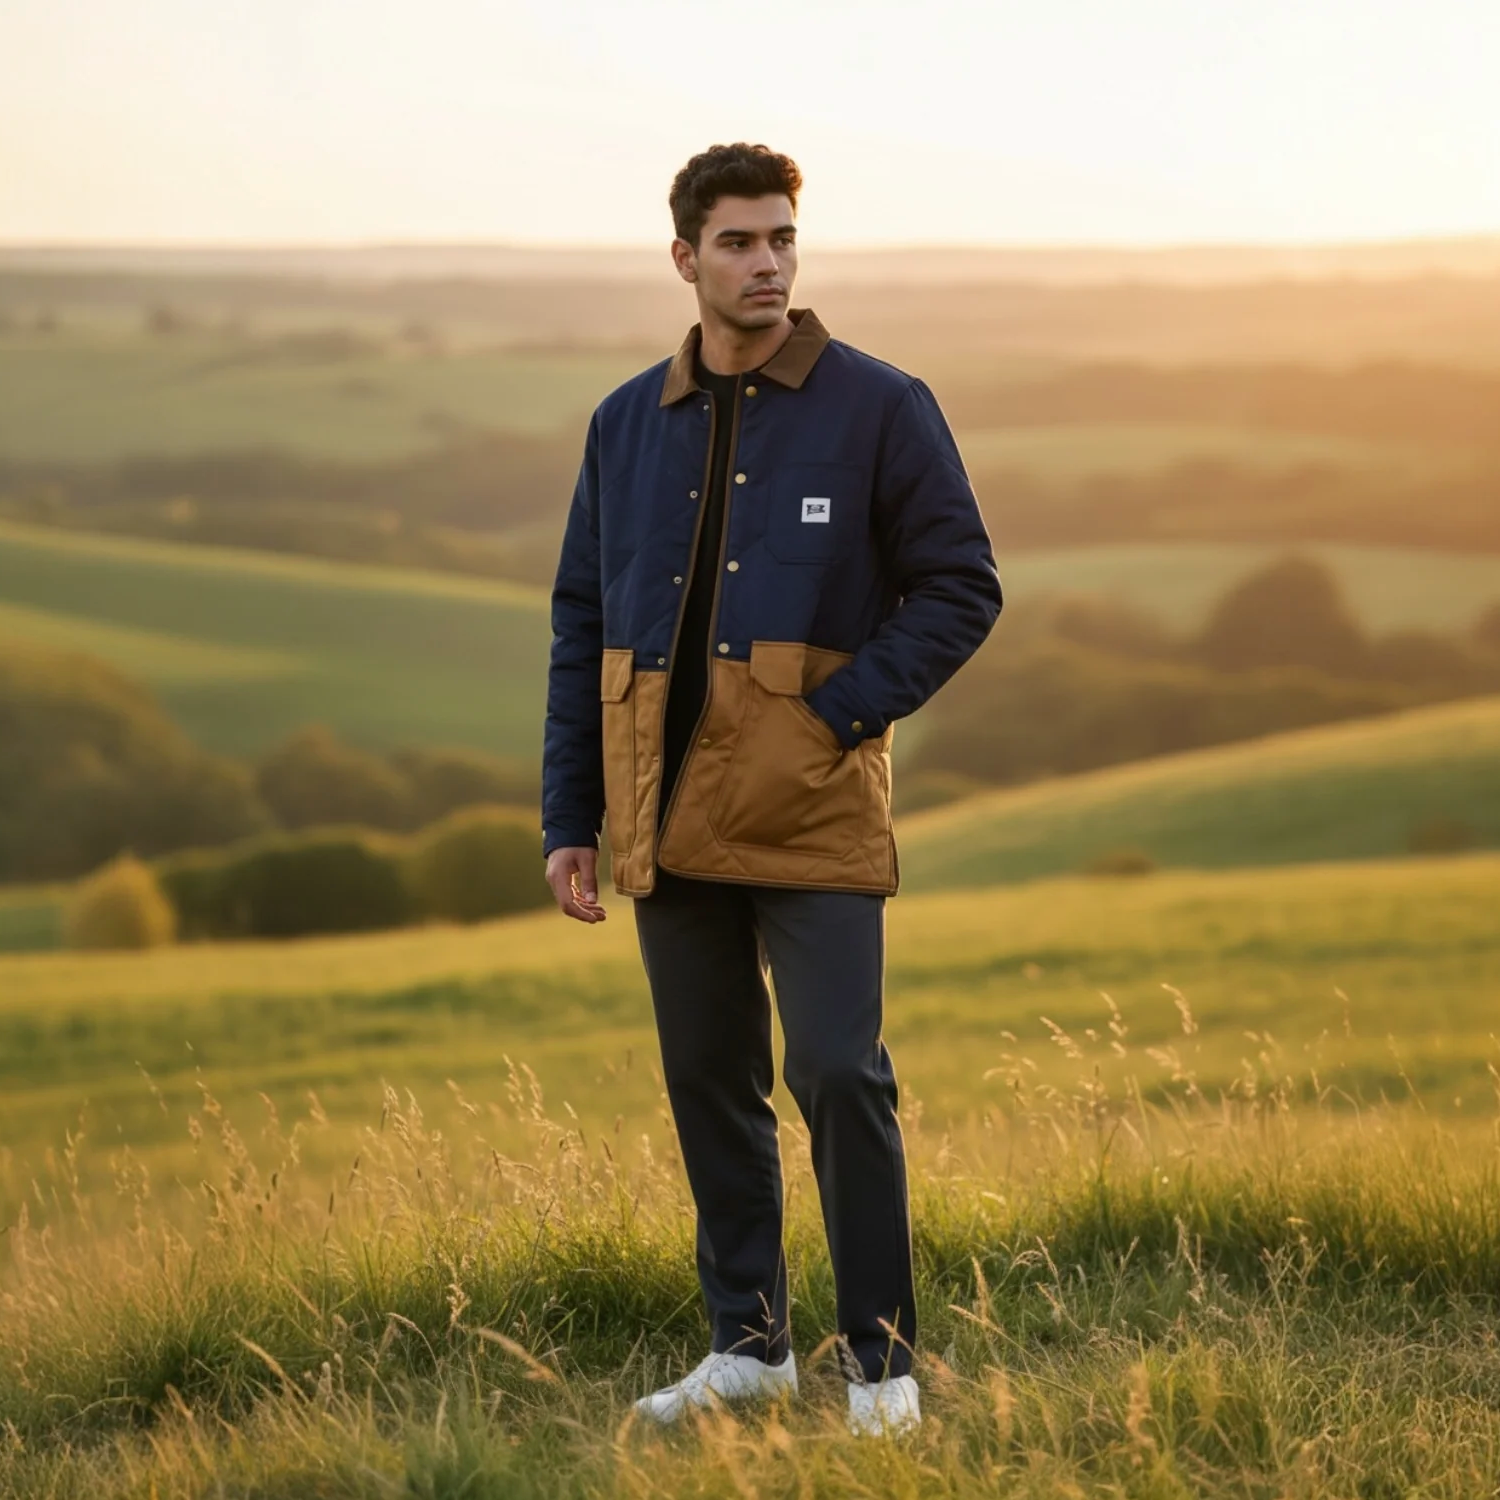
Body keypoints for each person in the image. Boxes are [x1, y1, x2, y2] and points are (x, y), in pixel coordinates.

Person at [541, 142, 1003, 1436]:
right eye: (738, 242)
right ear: (684, 257)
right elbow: (583, 621)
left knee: (841, 1076)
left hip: (811, 811)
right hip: (660, 813)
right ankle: (746, 1349)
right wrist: (568, 817)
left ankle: (882, 1366)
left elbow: (964, 587)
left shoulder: (880, 406)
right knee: (708, 1078)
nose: (767, 263)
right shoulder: (628, 421)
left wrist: (838, 715)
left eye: (783, 239)